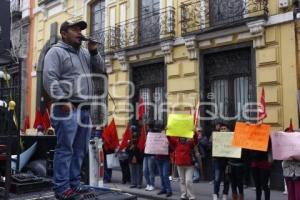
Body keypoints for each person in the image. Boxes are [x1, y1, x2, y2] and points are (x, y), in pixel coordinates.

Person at [43, 19, 105, 199]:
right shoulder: (55, 52)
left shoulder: (85, 53)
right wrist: (62, 99)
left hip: (84, 109)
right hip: (67, 108)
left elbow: (100, 70)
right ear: (64, 33)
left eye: (80, 29)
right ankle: (61, 188)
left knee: (80, 149)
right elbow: (49, 78)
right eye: (75, 29)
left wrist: (94, 52)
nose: (79, 32)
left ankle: (74, 183)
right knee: (66, 148)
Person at [169, 133, 198, 200]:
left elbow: (196, 141)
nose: (182, 138)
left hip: (189, 165)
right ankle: (183, 194)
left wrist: (195, 133)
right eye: (181, 137)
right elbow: (169, 140)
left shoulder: (190, 143)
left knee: (188, 181)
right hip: (180, 165)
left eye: (183, 137)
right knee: (182, 181)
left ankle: (191, 196)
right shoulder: (176, 143)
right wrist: (167, 133)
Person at [212, 123, 230, 200]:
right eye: (221, 129)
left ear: (227, 130)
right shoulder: (216, 137)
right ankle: (215, 193)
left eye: (224, 128)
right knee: (217, 179)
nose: (223, 130)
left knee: (226, 179)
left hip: (228, 162)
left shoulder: (231, 138)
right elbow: (211, 146)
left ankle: (225, 194)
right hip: (218, 162)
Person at [154, 127, 172, 197]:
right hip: (158, 159)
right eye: (161, 132)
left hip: (165, 159)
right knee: (161, 175)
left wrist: (168, 141)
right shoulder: (157, 140)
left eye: (164, 132)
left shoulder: (168, 140)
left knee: (165, 175)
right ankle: (163, 188)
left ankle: (168, 190)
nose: (162, 134)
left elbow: (172, 149)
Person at [143, 122, 156, 191]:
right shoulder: (145, 133)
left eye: (147, 126)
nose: (146, 127)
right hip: (145, 154)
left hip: (151, 155)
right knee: (145, 170)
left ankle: (152, 184)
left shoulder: (154, 133)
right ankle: (148, 183)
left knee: (151, 170)